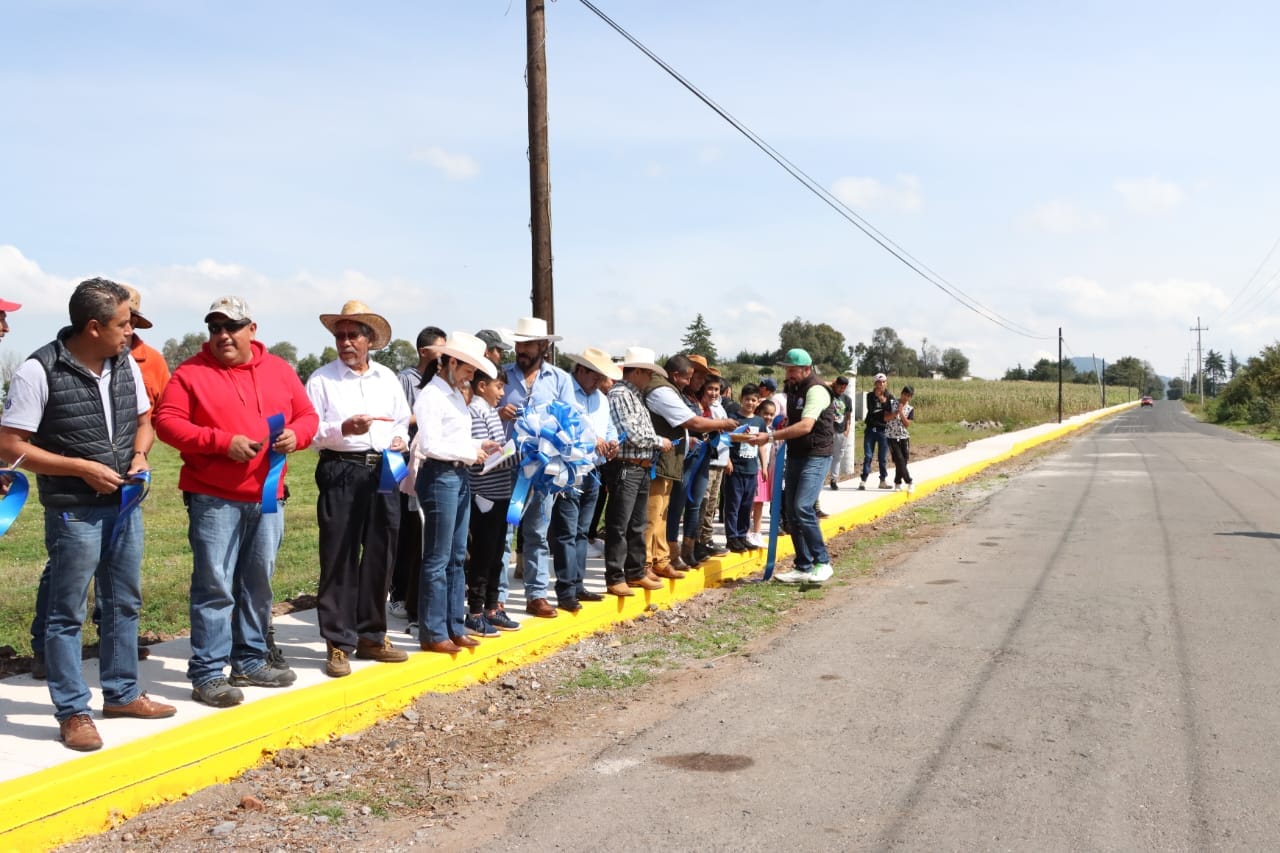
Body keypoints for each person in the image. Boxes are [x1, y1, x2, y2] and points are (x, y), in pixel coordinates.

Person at [0, 278, 175, 751]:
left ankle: (121, 694)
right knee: (66, 613)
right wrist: (80, 469)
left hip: (123, 505)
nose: (131, 334)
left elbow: (145, 422)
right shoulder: (38, 371)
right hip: (74, 512)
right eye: (124, 324)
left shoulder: (125, 363)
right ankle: (73, 711)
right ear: (93, 326)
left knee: (123, 602)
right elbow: (11, 446)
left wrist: (139, 457)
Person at [152, 296, 318, 707]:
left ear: (252, 329)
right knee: (214, 585)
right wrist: (221, 442)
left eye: (232, 326)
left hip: (268, 495)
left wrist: (298, 435)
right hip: (214, 497)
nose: (223, 335)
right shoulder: (191, 372)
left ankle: (249, 658)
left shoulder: (279, 369)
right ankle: (208, 672)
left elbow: (308, 416)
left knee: (258, 582)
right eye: (215, 328)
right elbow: (167, 423)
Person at [306, 300, 411, 677]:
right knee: (339, 555)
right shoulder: (321, 380)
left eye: (353, 336)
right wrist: (342, 431)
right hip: (341, 469)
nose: (346, 342)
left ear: (370, 341)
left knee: (381, 553)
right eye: (341, 336)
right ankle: (337, 642)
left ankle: (372, 634)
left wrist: (399, 439)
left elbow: (401, 420)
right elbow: (311, 433)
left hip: (383, 470)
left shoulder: (387, 378)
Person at [414, 332, 502, 653]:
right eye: (467, 370)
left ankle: (453, 625)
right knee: (438, 558)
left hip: (458, 475)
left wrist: (479, 445)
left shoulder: (452, 395)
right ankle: (433, 631)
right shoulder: (431, 397)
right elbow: (430, 444)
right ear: (452, 362)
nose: (470, 376)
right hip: (440, 476)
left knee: (455, 557)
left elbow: (453, 439)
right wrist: (470, 453)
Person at [496, 317, 575, 619]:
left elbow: (571, 421)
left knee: (538, 533)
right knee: (504, 532)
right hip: (507, 465)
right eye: (518, 343)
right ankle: (498, 596)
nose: (521, 349)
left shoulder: (559, 379)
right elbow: (483, 410)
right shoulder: (501, 376)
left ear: (543, 346)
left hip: (543, 470)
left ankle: (537, 594)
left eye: (527, 344)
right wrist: (500, 413)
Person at [744, 348, 836, 584]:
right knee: (792, 512)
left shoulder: (816, 390)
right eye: (787, 369)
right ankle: (803, 565)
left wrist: (771, 437)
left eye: (792, 370)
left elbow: (806, 426)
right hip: (796, 454)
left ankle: (822, 562)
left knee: (803, 506)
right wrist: (785, 423)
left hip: (816, 455)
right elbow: (796, 420)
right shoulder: (793, 388)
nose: (789, 374)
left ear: (806, 369)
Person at [645, 354, 738, 581]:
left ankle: (665, 556)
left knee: (669, 510)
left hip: (679, 457)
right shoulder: (665, 392)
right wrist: (723, 425)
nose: (696, 380)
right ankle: (650, 560)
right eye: (694, 375)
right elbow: (692, 423)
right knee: (658, 512)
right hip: (668, 458)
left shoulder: (684, 395)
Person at [552, 347, 620, 611]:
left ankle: (577, 584)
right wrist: (594, 439)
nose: (598, 381)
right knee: (567, 532)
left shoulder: (601, 399)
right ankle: (566, 588)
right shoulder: (566, 392)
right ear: (581, 370)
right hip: (570, 470)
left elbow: (610, 426)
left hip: (593, 470)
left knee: (581, 531)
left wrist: (612, 441)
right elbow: (564, 425)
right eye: (595, 375)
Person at [388, 326, 446, 627]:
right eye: (441, 348)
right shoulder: (405, 379)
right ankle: (398, 593)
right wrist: (426, 414)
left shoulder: (441, 382)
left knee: (426, 535)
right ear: (425, 352)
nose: (446, 353)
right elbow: (397, 417)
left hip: (431, 464)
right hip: (406, 466)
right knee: (407, 534)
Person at [603, 347, 672, 596]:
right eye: (649, 374)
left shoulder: (633, 395)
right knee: (620, 523)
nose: (651, 379)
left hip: (638, 466)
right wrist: (659, 441)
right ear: (639, 372)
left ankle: (634, 572)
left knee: (636, 523)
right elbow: (633, 434)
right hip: (626, 466)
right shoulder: (621, 394)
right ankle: (615, 575)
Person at [463, 367, 520, 634]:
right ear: (482, 385)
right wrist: (522, 455)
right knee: (483, 556)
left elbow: (498, 450)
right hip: (484, 494)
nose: (502, 393)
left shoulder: (489, 412)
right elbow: (484, 457)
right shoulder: (476, 411)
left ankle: (492, 607)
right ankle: (475, 611)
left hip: (500, 493)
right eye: (498, 387)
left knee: (497, 555)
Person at [695, 372, 732, 562]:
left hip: (720, 459)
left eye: (717, 389)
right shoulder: (703, 408)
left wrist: (728, 459)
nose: (714, 392)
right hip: (707, 460)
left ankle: (707, 538)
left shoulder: (720, 408)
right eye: (710, 388)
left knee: (712, 503)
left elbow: (724, 435)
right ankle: (698, 540)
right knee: (703, 500)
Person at [725, 383, 765, 552]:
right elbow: (725, 439)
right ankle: (732, 538)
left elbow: (762, 444)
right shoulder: (733, 419)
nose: (750, 402)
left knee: (746, 506)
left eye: (753, 400)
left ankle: (742, 535)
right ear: (741, 399)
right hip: (735, 469)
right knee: (733, 504)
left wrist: (763, 466)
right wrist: (727, 460)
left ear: (758, 402)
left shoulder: (759, 421)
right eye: (747, 399)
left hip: (751, 469)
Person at [859, 373, 895, 490]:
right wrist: (883, 404)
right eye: (879, 382)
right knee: (868, 455)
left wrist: (884, 402)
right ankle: (863, 480)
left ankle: (883, 480)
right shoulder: (870, 396)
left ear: (886, 383)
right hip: (870, 430)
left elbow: (891, 412)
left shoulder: (890, 396)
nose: (881, 384)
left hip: (883, 430)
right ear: (875, 383)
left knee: (882, 457)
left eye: (884, 382)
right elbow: (872, 409)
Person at [750, 398, 777, 548]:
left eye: (771, 415)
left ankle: (757, 532)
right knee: (749, 504)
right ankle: (746, 532)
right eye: (765, 413)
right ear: (759, 412)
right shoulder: (755, 429)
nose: (768, 417)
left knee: (759, 504)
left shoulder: (771, 432)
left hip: (763, 471)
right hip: (755, 469)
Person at [827, 376, 854, 490]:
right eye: (840, 386)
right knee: (825, 455)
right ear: (835, 384)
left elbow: (848, 416)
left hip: (841, 431)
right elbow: (818, 384)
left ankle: (834, 479)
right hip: (828, 430)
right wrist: (830, 383)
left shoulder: (847, 399)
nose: (842, 389)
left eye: (844, 387)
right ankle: (822, 477)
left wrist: (847, 430)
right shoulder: (828, 394)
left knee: (837, 456)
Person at [887, 385, 915, 493]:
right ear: (901, 393)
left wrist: (901, 412)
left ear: (910, 397)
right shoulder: (891, 404)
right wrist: (895, 412)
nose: (905, 397)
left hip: (904, 437)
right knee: (899, 459)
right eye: (904, 395)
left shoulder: (910, 409)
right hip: (892, 436)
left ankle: (897, 482)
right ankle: (909, 481)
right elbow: (886, 418)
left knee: (904, 461)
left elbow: (907, 424)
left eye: (908, 396)